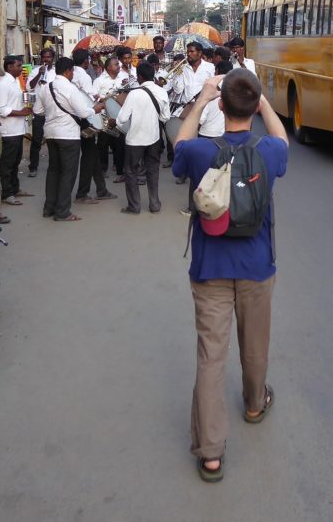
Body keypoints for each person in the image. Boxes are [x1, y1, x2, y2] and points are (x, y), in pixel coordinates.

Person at [172, 69, 289, 483]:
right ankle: (255, 404)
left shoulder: (202, 152)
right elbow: (283, 141)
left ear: (222, 106)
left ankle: (211, 453)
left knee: (211, 357)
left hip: (210, 270)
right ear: (254, 107)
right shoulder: (270, 151)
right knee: (254, 346)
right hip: (257, 267)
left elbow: (179, 144)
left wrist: (201, 99)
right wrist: (265, 103)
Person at [33, 57, 104, 221]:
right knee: (68, 172)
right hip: (68, 134)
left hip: (50, 133)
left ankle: (49, 207)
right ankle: (62, 211)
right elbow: (84, 113)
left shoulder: (46, 88)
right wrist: (96, 109)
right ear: (67, 71)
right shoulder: (70, 89)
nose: (73, 74)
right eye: (72, 71)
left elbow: (37, 111)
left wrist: (53, 114)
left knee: (53, 170)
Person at [115, 62, 171, 214]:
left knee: (131, 172)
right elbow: (165, 117)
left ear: (139, 76)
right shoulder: (162, 92)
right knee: (152, 170)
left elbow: (121, 119)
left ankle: (134, 206)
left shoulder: (134, 94)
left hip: (135, 140)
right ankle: (154, 204)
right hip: (154, 137)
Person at [72, 49, 117, 204]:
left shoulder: (72, 74)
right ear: (85, 61)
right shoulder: (83, 76)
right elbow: (88, 98)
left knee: (92, 154)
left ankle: (101, 189)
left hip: (77, 119)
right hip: (87, 120)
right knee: (89, 156)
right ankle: (82, 193)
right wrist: (99, 101)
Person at [0, 55, 34, 205]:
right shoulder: (3, 85)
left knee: (16, 160)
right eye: (18, 65)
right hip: (9, 129)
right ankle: (7, 193)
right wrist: (20, 112)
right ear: (10, 67)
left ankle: (15, 188)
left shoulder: (16, 81)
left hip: (18, 128)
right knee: (8, 162)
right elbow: (0, 108)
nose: (21, 68)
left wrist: (26, 107)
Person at [26, 48, 56, 177]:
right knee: (36, 141)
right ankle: (33, 167)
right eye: (44, 57)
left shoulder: (56, 73)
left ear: (53, 58)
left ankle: (54, 166)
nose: (46, 60)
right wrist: (39, 74)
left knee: (53, 141)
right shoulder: (34, 71)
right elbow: (29, 87)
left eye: (49, 57)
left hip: (52, 112)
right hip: (39, 112)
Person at [94, 57, 126, 178]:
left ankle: (120, 169)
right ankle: (102, 169)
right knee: (103, 143)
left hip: (119, 115)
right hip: (104, 116)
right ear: (108, 68)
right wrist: (105, 98)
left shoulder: (123, 78)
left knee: (120, 142)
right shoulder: (99, 80)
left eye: (118, 64)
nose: (119, 66)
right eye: (116, 64)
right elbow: (94, 96)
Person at [198, 60, 234, 138]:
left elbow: (201, 118)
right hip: (225, 133)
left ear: (217, 71)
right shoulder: (234, 89)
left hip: (207, 133)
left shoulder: (210, 89)